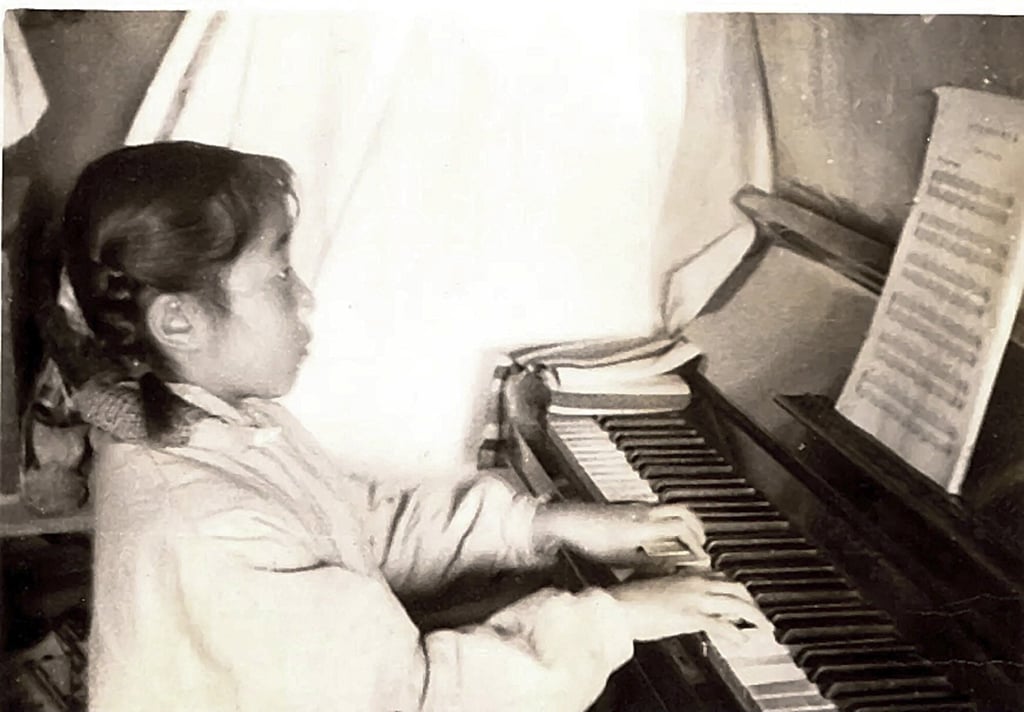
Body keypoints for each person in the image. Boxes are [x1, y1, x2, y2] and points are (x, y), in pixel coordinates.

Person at [56, 141, 765, 711]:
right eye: (278, 276)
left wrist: (544, 526)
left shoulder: (219, 422)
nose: (305, 297)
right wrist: (618, 618)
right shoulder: (211, 523)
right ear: (178, 320)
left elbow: (355, 526)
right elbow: (422, 697)